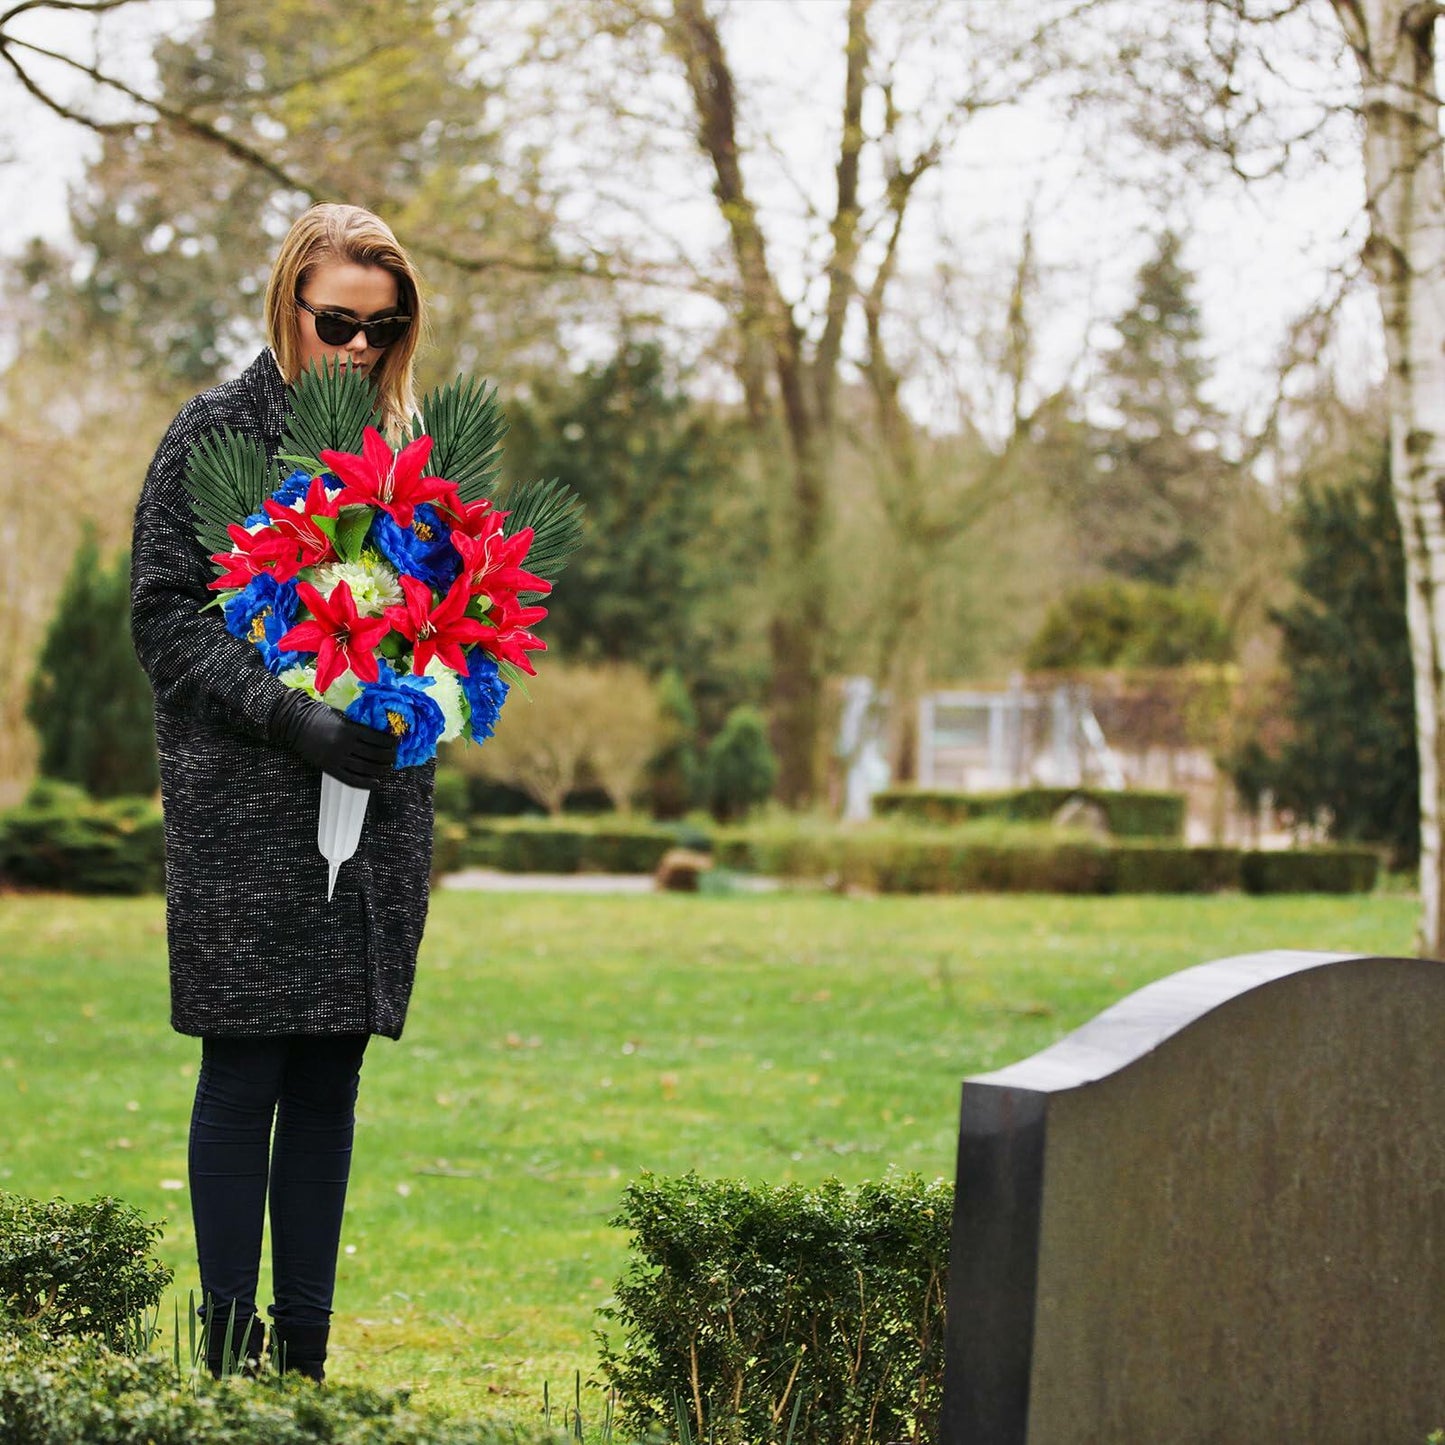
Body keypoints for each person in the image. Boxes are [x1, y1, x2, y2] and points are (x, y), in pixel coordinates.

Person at [129, 202, 435, 1382]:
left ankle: (302, 1366)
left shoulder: (408, 458)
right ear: (288, 305)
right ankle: (221, 1362)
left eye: (382, 327)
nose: (358, 348)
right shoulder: (214, 434)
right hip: (243, 810)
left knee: (329, 1073)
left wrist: (413, 700)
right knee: (246, 1061)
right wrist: (291, 714)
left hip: (374, 810)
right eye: (339, 322)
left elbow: (443, 623)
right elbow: (164, 616)